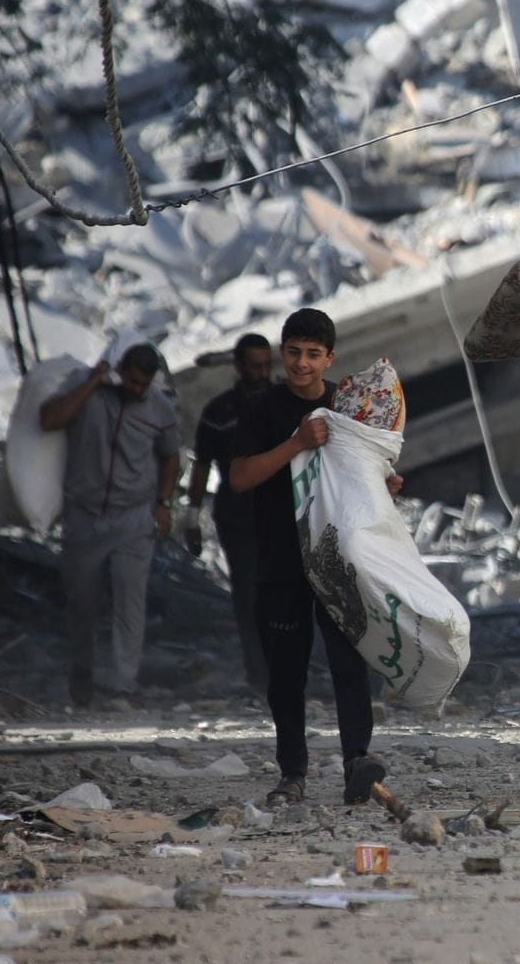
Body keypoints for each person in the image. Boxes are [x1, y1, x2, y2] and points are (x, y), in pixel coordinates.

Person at [227, 308, 401, 806]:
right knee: (286, 673)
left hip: (337, 558)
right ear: (282, 352)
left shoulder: (347, 407)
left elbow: (367, 475)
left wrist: (387, 486)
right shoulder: (261, 408)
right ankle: (293, 772)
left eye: (313, 354)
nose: (301, 363)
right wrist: (297, 443)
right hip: (280, 559)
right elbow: (240, 477)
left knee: (350, 663)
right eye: (294, 352)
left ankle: (357, 762)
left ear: (330, 359)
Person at [39, 343, 182, 706]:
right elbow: (49, 420)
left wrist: (163, 503)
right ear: (119, 371)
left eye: (143, 384)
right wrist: (93, 381)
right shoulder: (88, 393)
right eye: (131, 381)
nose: (136, 389)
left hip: (133, 516)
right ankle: (82, 674)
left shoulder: (160, 409)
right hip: (84, 514)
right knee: (82, 601)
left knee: (130, 600)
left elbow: (171, 456)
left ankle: (123, 682)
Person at [184, 332, 273, 692]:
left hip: (282, 515)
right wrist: (191, 517)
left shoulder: (286, 404)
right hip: (238, 517)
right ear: (238, 367)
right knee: (249, 596)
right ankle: (260, 676)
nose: (263, 374)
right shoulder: (219, 413)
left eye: (267, 366)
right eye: (255, 367)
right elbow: (202, 466)